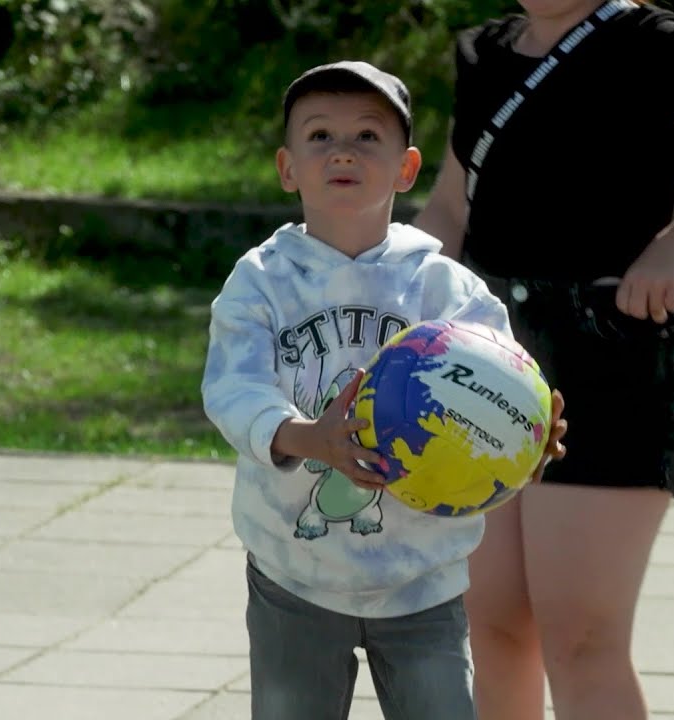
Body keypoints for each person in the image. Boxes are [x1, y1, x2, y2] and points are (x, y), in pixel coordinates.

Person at [412, 2, 674, 719]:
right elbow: (452, 208)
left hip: (612, 359)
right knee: (496, 624)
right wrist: (381, 297)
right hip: (485, 361)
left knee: (581, 640)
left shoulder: (650, 43)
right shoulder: (485, 53)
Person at [201, 60, 568, 720]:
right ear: (288, 168)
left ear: (406, 168)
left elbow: (504, 386)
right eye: (319, 136)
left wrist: (525, 438)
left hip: (422, 578)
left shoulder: (442, 287)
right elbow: (233, 388)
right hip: (294, 573)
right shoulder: (261, 280)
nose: (342, 149)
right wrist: (305, 437)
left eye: (367, 136)